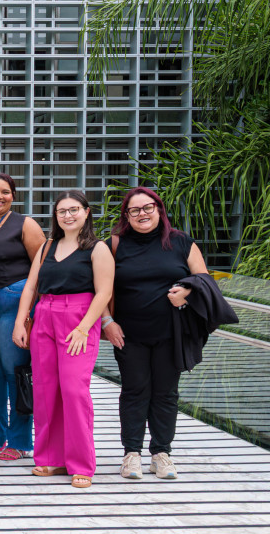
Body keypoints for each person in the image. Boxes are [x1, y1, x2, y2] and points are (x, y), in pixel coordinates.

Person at [12, 191, 113, 488]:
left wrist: (84, 328)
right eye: (61, 211)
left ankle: (81, 464)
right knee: (46, 390)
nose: (68, 215)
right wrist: (21, 321)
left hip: (78, 318)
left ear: (86, 212)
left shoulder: (97, 248)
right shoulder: (47, 246)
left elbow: (104, 292)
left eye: (74, 210)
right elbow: (30, 287)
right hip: (45, 315)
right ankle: (50, 459)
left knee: (73, 390)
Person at [107, 187, 208, 481]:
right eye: (134, 210)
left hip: (171, 332)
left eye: (148, 207)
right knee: (134, 391)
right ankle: (132, 454)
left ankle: (161, 454)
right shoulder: (114, 244)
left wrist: (187, 292)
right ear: (126, 215)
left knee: (165, 393)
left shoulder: (180, 242)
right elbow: (98, 287)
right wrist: (107, 321)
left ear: (159, 209)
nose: (142, 214)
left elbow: (203, 280)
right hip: (128, 333)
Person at [0, 173, 45, 461]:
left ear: (13, 196)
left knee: (14, 372)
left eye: (6, 192)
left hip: (14, 302)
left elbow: (41, 267)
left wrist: (31, 312)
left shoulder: (25, 224)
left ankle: (19, 440)